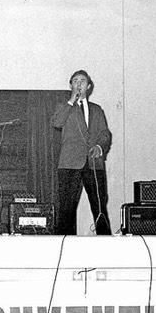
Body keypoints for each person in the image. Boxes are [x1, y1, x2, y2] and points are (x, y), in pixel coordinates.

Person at [50, 69, 112, 235]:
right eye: (75, 81)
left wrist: (100, 147)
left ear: (89, 86)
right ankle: (64, 244)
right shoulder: (64, 107)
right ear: (70, 85)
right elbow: (57, 122)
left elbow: (105, 133)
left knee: (99, 206)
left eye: (82, 81)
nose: (78, 84)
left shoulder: (97, 110)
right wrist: (71, 102)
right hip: (69, 163)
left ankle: (106, 243)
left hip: (93, 164)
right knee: (67, 208)